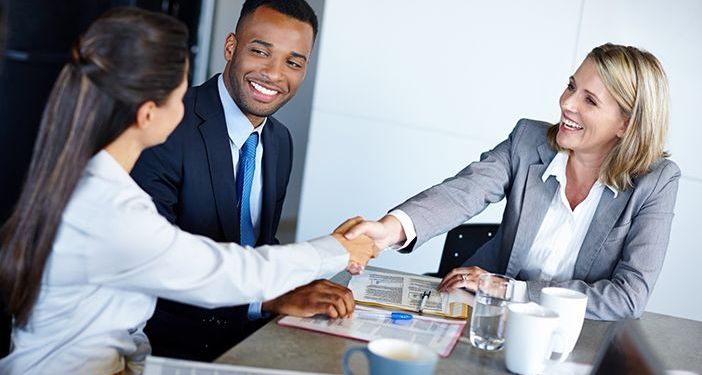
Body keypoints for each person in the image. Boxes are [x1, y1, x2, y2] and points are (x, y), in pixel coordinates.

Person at [0, 8, 375, 375]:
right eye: (179, 98)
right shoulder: (113, 210)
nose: (186, 107)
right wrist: (336, 249)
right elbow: (216, 272)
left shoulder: (92, 182)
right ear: (148, 114)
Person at [342, 43, 679, 321]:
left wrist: (511, 289)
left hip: (576, 336)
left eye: (589, 100)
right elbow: (464, 191)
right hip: (486, 319)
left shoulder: (656, 182)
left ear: (626, 124)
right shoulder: (528, 140)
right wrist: (391, 230)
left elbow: (628, 297)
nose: (566, 103)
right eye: (571, 86)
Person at [130, 0, 351, 361]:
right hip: (166, 347)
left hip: (246, 339)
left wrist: (300, 283)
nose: (275, 74)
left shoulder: (279, 141)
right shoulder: (167, 127)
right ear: (231, 47)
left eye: (293, 62)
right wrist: (265, 299)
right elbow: (153, 265)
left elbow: (259, 244)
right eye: (261, 52)